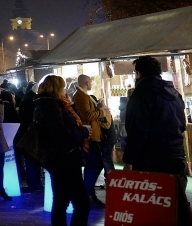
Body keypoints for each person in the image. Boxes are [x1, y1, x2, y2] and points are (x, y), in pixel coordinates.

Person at [124, 56, 192, 226]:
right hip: (176, 155)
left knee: (154, 209)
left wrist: (129, 161)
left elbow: (138, 131)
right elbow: (182, 124)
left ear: (138, 73)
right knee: (174, 206)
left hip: (151, 159)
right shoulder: (173, 92)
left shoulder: (141, 94)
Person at [34, 74, 90, 226]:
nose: (65, 90)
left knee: (62, 201)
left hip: (61, 159)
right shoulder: (51, 106)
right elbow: (60, 134)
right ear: (56, 88)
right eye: (63, 87)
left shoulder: (54, 104)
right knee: (81, 203)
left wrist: (71, 106)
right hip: (65, 159)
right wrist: (84, 132)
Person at [72, 74, 110, 207]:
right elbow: (87, 115)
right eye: (91, 82)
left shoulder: (83, 96)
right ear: (87, 83)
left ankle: (88, 193)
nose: (92, 84)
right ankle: (86, 192)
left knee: (92, 164)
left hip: (91, 135)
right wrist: (101, 111)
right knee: (96, 164)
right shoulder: (81, 96)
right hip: (88, 137)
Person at [16, 81, 43, 191]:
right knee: (32, 159)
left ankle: (34, 183)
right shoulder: (32, 100)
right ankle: (34, 183)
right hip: (30, 133)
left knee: (31, 159)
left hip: (26, 132)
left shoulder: (27, 98)